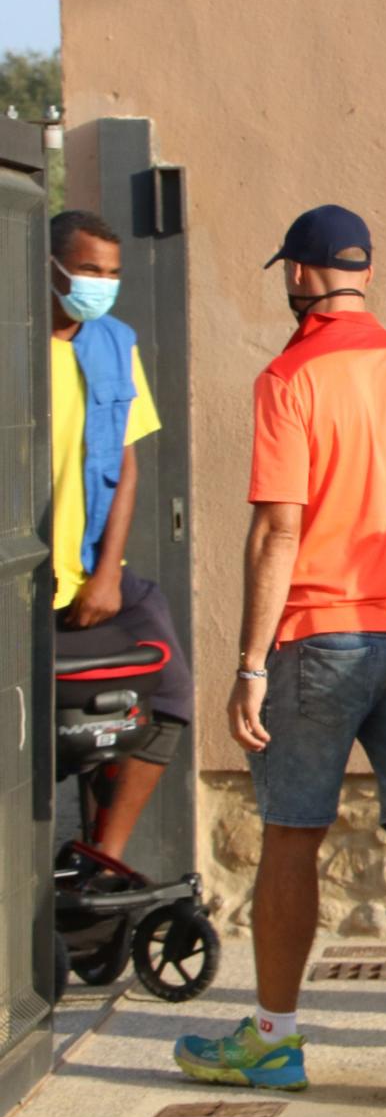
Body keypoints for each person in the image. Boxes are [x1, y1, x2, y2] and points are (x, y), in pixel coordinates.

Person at [172, 205, 386, 1095]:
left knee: (292, 837)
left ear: (298, 273)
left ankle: (275, 1039)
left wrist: (250, 663)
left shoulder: (289, 378)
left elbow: (277, 531)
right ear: (363, 269)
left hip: (320, 638)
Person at [47, 210, 194, 862]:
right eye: (86, 270)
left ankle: (102, 854)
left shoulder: (115, 341)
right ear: (46, 264)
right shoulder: (16, 339)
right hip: (29, 580)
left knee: (171, 690)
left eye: (111, 273)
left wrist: (108, 573)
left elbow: (127, 462)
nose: (100, 284)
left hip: (94, 573)